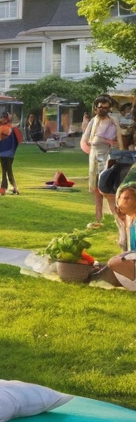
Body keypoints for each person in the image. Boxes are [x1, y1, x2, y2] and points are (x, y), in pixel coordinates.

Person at [82, 95, 120, 224]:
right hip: (94, 156)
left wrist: (102, 140)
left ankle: (118, 218)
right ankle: (98, 218)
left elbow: (113, 140)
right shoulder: (93, 121)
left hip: (107, 157)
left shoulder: (112, 122)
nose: (102, 109)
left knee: (107, 190)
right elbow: (86, 138)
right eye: (100, 107)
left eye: (105, 107)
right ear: (96, 108)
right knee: (96, 190)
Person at [93, 182, 136, 290]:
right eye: (120, 198)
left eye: (127, 198)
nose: (121, 202)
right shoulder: (128, 220)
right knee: (106, 268)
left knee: (114, 262)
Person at [0, 113, 21, 195]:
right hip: (6, 153)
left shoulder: (6, 128)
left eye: (3, 117)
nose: (1, 119)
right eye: (1, 117)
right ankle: (14, 188)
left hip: (7, 153)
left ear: (7, 119)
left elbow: (2, 138)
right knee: (7, 170)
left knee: (6, 170)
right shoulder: (7, 127)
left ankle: (3, 189)